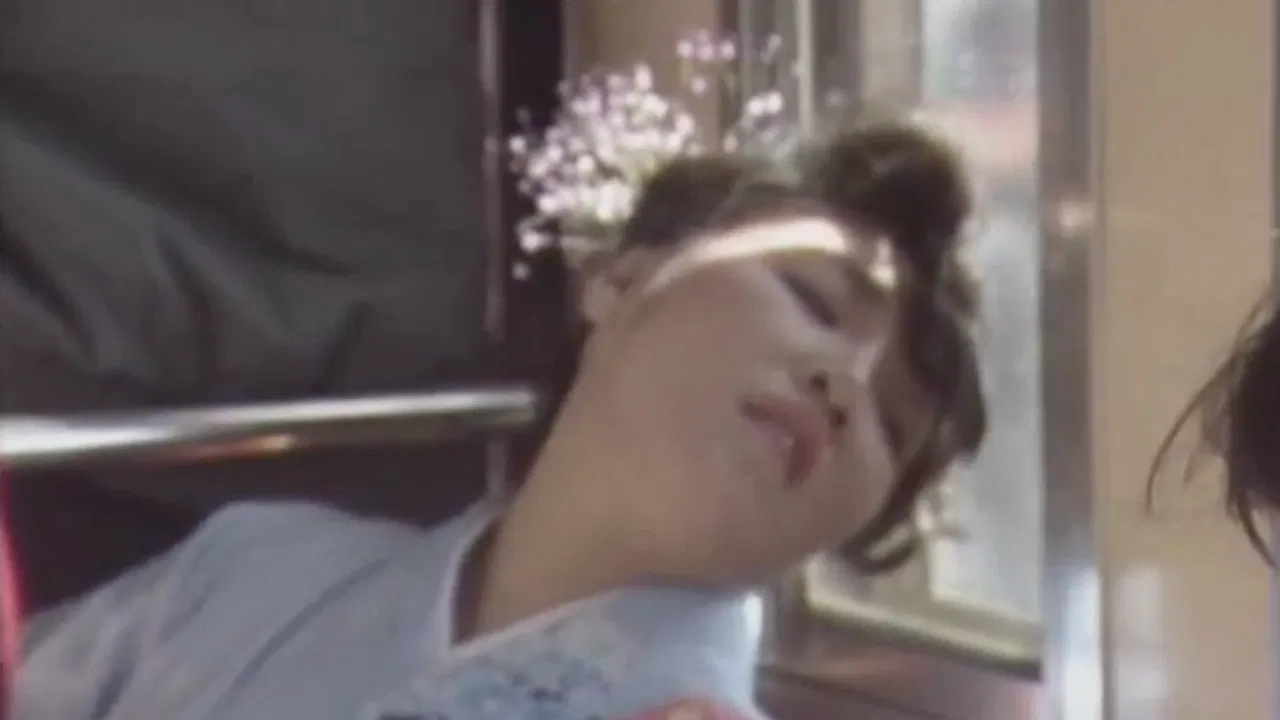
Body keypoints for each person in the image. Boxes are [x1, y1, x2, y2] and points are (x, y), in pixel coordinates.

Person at [15, 122, 987, 720]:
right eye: (815, 301)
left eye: (891, 423)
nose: (844, 382)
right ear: (625, 279)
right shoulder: (257, 566)